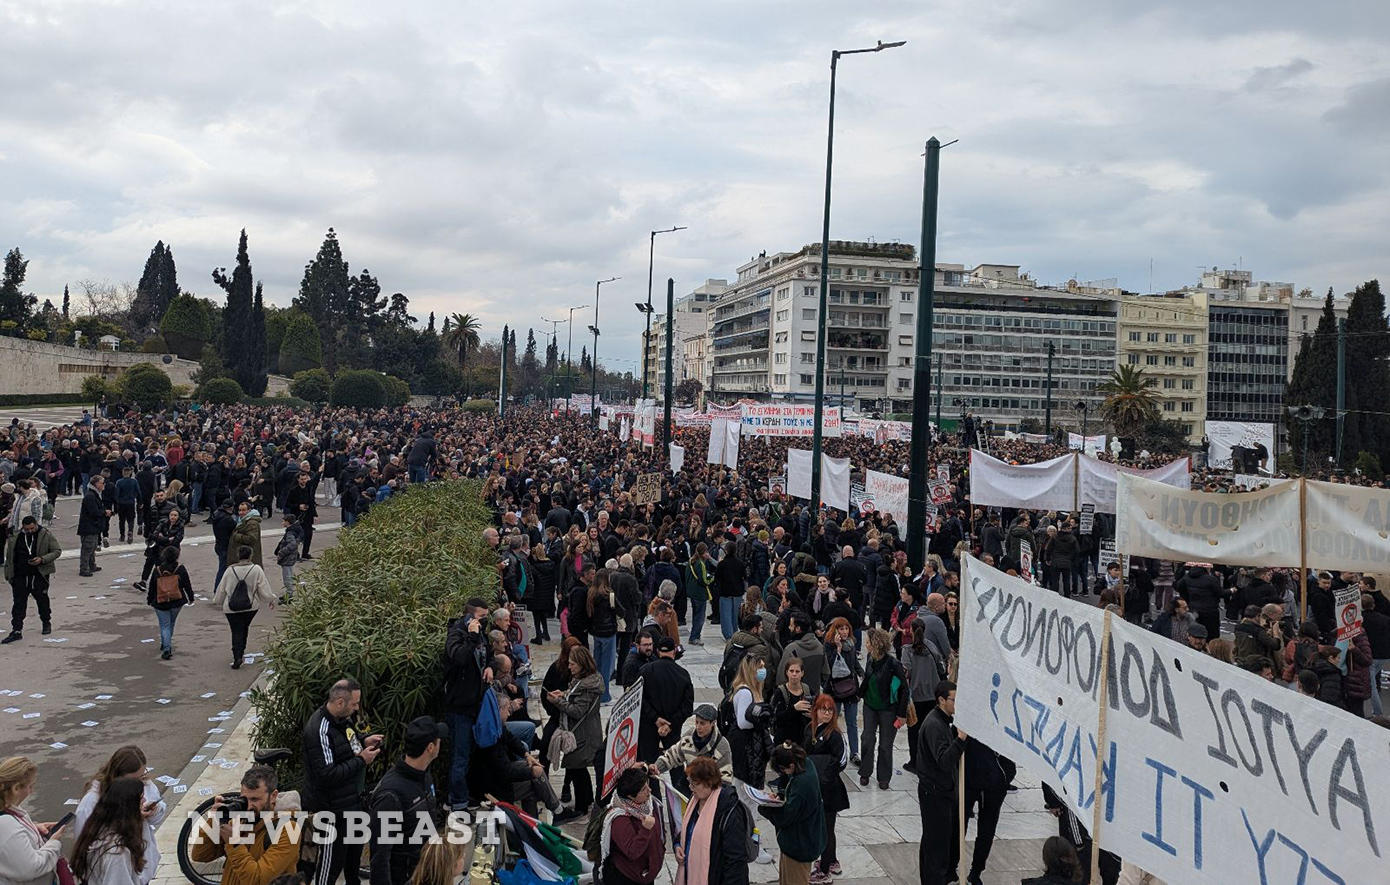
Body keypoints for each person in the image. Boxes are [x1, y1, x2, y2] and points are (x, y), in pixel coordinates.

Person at [303, 679, 382, 885]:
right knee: (330, 867)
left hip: (353, 804)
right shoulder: (319, 729)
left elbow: (348, 742)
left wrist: (364, 741)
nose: (356, 709)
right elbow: (327, 775)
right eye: (354, 704)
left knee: (352, 865)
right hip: (333, 812)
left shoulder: (343, 719)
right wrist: (361, 760)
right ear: (340, 702)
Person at [189, 765, 302, 885]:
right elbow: (200, 855)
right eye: (244, 799)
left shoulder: (288, 830)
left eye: (255, 799)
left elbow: (257, 880)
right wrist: (215, 820)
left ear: (273, 796)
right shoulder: (241, 820)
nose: (248, 807)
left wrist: (234, 842)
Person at [369, 717, 445, 885]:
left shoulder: (424, 775)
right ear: (430, 747)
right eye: (438, 740)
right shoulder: (391, 795)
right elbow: (380, 857)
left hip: (424, 872)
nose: (441, 742)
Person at [442, 597, 494, 811]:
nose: (484, 622)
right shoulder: (457, 634)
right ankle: (457, 803)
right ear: (470, 616)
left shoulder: (480, 633)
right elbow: (459, 658)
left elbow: (487, 654)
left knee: (471, 753)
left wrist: (490, 666)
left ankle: (463, 794)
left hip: (477, 702)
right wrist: (472, 636)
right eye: (482, 617)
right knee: (459, 756)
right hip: (460, 705)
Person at [918, 681, 966, 885]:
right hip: (935, 792)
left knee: (934, 841)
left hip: (942, 791)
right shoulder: (934, 725)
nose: (957, 704)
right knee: (936, 845)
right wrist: (961, 740)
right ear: (941, 700)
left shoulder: (944, 721)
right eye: (954, 700)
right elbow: (945, 761)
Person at [549, 644, 605, 822]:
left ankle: (582, 806)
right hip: (581, 731)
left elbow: (578, 710)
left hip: (584, 734)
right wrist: (564, 694)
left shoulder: (588, 686)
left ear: (582, 664)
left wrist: (558, 701)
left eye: (573, 664)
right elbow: (574, 696)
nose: (569, 667)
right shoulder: (582, 680)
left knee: (576, 767)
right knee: (577, 768)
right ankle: (585, 800)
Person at [676, 755, 751, 885]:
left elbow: (735, 860)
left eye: (695, 784)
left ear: (709, 782)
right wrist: (677, 846)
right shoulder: (694, 802)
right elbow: (687, 833)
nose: (690, 787)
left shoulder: (729, 811)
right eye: (690, 782)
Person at [759, 744, 825, 885]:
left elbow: (785, 817)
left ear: (791, 765)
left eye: (783, 770)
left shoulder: (802, 785)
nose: (784, 773)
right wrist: (782, 796)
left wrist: (765, 807)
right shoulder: (806, 765)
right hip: (798, 841)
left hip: (799, 846)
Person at [0, 756, 67, 885]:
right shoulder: (5, 825)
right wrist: (53, 843)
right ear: (16, 788)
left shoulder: (8, 811)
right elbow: (31, 868)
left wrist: (32, 829)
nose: (31, 791)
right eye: (30, 786)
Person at [803, 695, 848, 885]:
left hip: (829, 790)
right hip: (815, 786)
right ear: (816, 711)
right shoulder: (810, 729)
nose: (827, 713)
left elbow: (841, 761)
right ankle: (831, 860)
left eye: (830, 710)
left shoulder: (835, 735)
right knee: (823, 827)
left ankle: (824, 871)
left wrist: (824, 775)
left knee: (827, 829)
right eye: (823, 709)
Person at [70, 778, 150, 885]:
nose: (145, 800)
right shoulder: (117, 853)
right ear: (129, 807)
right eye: (141, 798)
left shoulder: (97, 831)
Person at [857, 628, 907, 790]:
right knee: (867, 739)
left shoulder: (894, 664)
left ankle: (884, 777)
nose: (865, 644)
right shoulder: (871, 659)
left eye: (868, 642)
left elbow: (904, 689)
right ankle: (865, 771)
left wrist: (901, 714)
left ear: (876, 644)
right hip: (870, 706)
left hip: (889, 709)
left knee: (885, 745)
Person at [212, 545, 277, 669]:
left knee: (235, 630)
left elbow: (222, 589)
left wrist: (217, 601)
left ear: (238, 555)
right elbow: (263, 589)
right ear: (250, 555)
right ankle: (241, 650)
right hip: (250, 606)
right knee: (244, 627)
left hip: (231, 607)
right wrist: (271, 599)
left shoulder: (230, 570)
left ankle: (237, 655)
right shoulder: (256, 569)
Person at [598, 765, 665, 885]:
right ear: (630, 796)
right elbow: (632, 851)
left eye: (647, 785)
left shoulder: (646, 805)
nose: (649, 791)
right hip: (629, 877)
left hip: (645, 874)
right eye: (643, 789)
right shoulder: (619, 819)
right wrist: (645, 830)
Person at [962, 739, 1015, 885]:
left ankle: (976, 871)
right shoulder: (968, 721)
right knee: (959, 826)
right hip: (968, 782)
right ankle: (952, 868)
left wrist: (1004, 779)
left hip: (994, 787)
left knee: (986, 832)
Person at [2, 516, 61, 644]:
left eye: (32, 528)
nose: (29, 531)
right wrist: (8, 575)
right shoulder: (16, 537)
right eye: (27, 529)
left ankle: (46, 622)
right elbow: (10, 557)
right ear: (23, 527)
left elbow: (57, 551)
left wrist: (42, 559)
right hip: (20, 576)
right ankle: (17, 630)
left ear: (36, 525)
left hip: (39, 575)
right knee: (18, 604)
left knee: (42, 601)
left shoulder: (45, 534)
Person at [638, 636, 695, 763]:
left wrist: (655, 719)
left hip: (648, 727)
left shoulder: (645, 671)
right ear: (674, 651)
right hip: (673, 729)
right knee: (675, 763)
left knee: (649, 764)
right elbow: (687, 707)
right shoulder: (683, 674)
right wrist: (670, 724)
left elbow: (640, 700)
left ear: (658, 651)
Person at [655, 704, 733, 796]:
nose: (698, 727)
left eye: (702, 723)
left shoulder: (722, 746)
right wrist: (656, 768)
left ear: (713, 723)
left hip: (709, 795)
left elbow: (725, 781)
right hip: (689, 790)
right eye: (697, 722)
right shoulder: (689, 737)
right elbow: (672, 756)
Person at [722, 654, 772, 789]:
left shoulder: (754, 690)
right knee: (744, 782)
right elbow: (742, 722)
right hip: (744, 743)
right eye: (760, 667)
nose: (763, 670)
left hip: (751, 742)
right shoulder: (745, 692)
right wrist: (761, 723)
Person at [901, 620, 943, 773]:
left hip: (915, 696)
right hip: (932, 696)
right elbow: (940, 666)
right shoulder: (931, 647)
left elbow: (906, 671)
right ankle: (929, 760)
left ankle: (915, 761)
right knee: (929, 731)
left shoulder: (907, 650)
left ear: (911, 631)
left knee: (914, 730)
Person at [821, 617, 862, 763]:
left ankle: (854, 752)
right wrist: (837, 649)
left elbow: (854, 662)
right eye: (841, 629)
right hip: (834, 688)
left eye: (846, 629)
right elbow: (830, 666)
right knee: (831, 720)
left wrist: (862, 673)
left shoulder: (851, 643)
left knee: (852, 722)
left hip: (850, 689)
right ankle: (829, 747)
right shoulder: (828, 645)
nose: (844, 632)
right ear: (836, 630)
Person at [147, 546, 194, 660]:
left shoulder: (157, 570)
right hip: (177, 601)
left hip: (160, 601)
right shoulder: (180, 569)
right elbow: (187, 584)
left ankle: (166, 647)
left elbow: (152, 587)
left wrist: (149, 599)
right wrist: (190, 597)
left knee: (164, 625)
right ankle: (166, 642)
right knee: (171, 623)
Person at [588, 568, 619, 703]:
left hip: (596, 632)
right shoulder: (609, 595)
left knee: (597, 662)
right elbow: (618, 610)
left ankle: (596, 691)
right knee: (607, 665)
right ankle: (605, 695)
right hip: (608, 632)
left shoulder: (591, 594)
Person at [78, 474, 108, 577]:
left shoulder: (95, 494)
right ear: (96, 484)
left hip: (93, 526)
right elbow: (93, 512)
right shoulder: (90, 496)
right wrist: (104, 512)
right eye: (102, 483)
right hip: (89, 526)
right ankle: (84, 568)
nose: (104, 484)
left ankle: (92, 565)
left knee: (93, 546)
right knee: (87, 548)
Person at [274, 514, 303, 604]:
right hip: (290, 558)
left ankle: (289, 595)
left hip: (287, 558)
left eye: (283, 521)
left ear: (287, 522)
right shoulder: (294, 531)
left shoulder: (290, 533)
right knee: (288, 576)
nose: (282, 523)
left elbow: (292, 544)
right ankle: (288, 593)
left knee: (287, 577)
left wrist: (281, 552)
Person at [230, 501, 264, 566]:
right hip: (245, 555)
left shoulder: (252, 523)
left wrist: (236, 535)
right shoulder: (243, 520)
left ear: (249, 510)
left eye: (244, 510)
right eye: (239, 510)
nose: (241, 513)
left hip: (249, 557)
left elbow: (251, 538)